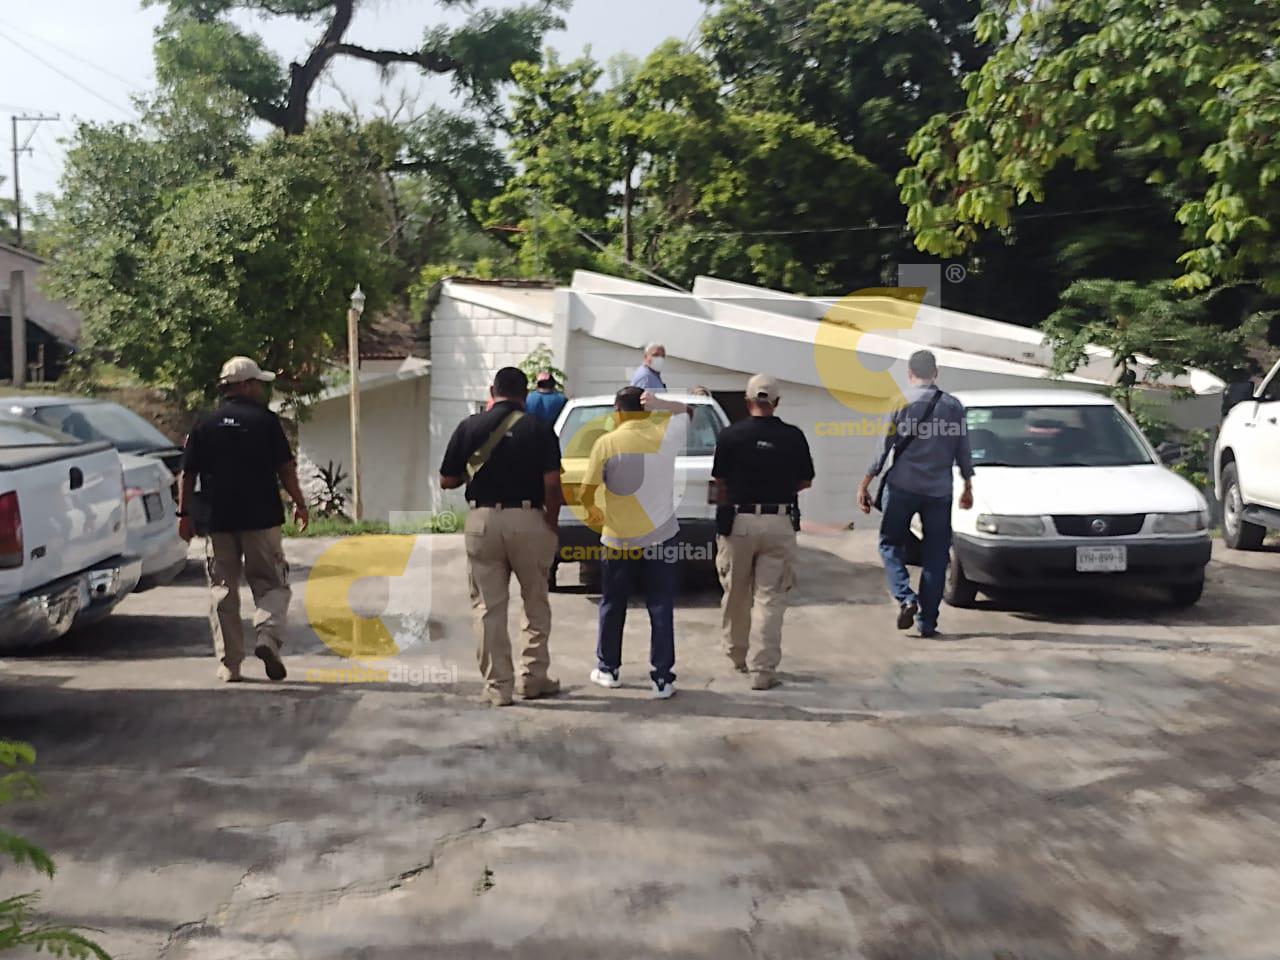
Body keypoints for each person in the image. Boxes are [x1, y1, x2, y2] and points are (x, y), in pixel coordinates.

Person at [178, 356, 309, 683]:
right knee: (271, 584)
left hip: (218, 520)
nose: (262, 390)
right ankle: (267, 636)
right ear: (246, 385)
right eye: (259, 384)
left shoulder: (205, 423)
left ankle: (230, 665)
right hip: (261, 518)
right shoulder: (266, 421)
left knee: (223, 591)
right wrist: (299, 502)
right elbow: (286, 468)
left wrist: (184, 514)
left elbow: (187, 473)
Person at [439, 367, 564, 706]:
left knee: (488, 607)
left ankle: (498, 687)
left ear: (492, 391)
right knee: (535, 602)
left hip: (482, 521)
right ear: (526, 395)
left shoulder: (469, 426)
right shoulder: (539, 428)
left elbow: (446, 480)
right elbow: (553, 485)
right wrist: (551, 525)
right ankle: (533, 679)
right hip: (529, 519)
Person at [580, 386, 690, 699]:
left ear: (618, 412)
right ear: (646, 411)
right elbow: (687, 411)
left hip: (618, 539)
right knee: (660, 606)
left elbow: (586, 491)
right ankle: (662, 679)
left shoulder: (607, 443)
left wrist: (594, 512)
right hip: (661, 538)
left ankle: (608, 669)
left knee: (613, 604)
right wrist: (662, 403)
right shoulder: (665, 437)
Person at [857, 350, 974, 638]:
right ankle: (928, 622)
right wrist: (968, 486)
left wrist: (865, 483)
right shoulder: (953, 406)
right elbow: (963, 450)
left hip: (902, 487)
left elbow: (883, 448)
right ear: (936, 373)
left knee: (889, 544)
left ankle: (905, 596)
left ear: (909, 373)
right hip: (939, 492)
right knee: (936, 555)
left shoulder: (900, 402)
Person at [711, 375, 814, 690]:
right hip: (779, 521)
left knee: (736, 593)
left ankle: (736, 654)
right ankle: (763, 670)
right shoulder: (793, 436)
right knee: (770, 598)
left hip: (739, 522)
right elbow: (805, 481)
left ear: (747, 401)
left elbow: (719, 481)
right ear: (777, 402)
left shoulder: (730, 436)